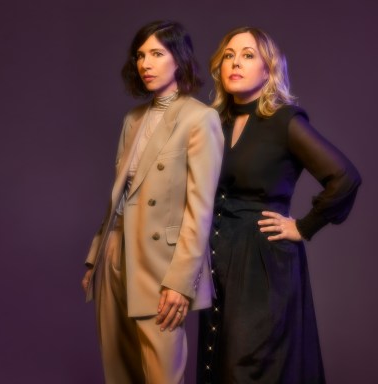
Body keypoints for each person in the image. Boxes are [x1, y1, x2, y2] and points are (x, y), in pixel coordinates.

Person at [197, 27, 362, 383]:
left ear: (268, 69)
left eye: (248, 55)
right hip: (216, 259)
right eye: (228, 56)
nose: (235, 63)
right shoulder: (213, 123)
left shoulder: (285, 121)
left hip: (263, 264)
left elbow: (345, 177)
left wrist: (304, 226)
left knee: (253, 369)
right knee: (217, 366)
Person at [82, 20, 223, 384]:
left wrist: (180, 282)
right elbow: (120, 193)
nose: (145, 63)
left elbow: (200, 210)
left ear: (179, 59)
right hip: (115, 253)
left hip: (161, 263)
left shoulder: (200, 118)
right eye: (141, 55)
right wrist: (96, 257)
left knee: (162, 373)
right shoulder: (132, 119)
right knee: (119, 369)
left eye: (157, 54)